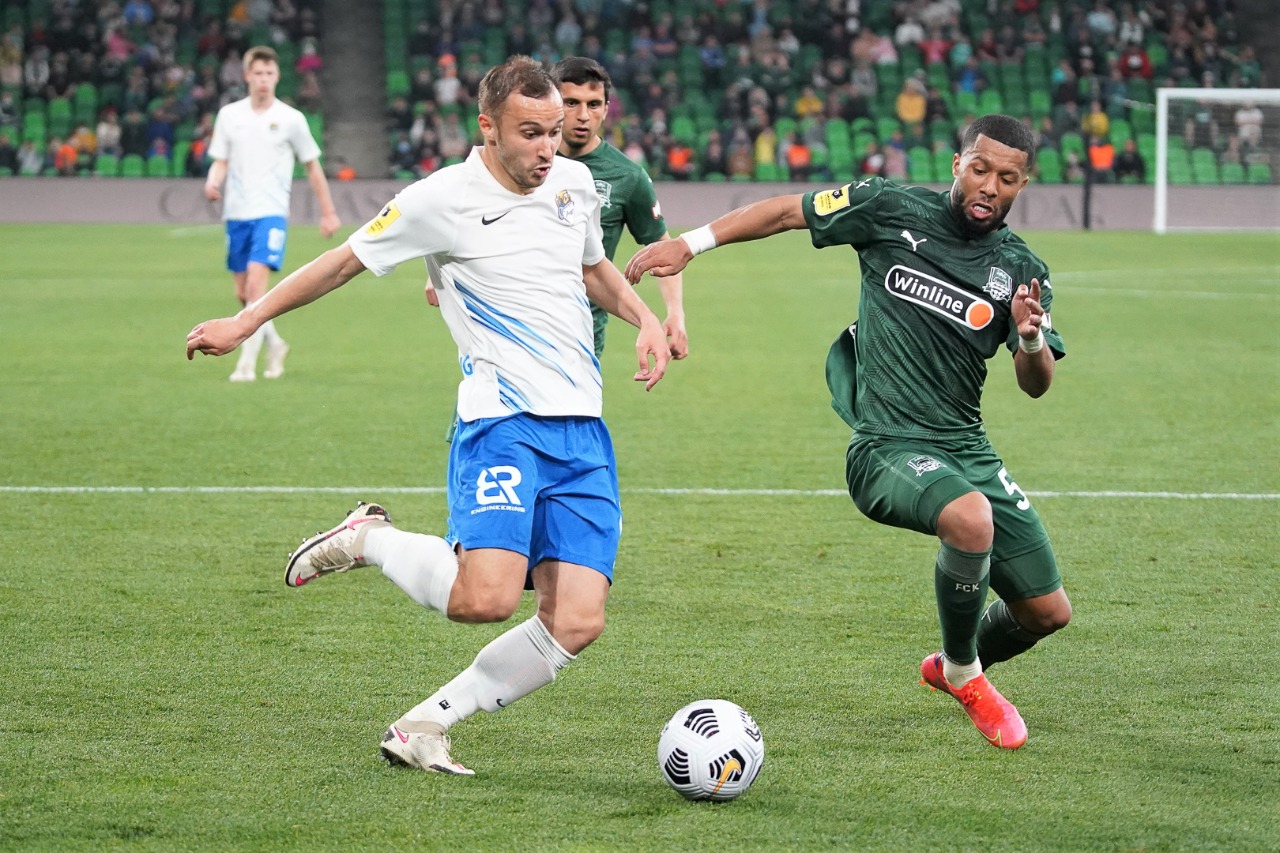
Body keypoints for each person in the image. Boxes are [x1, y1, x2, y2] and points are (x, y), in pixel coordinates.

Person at [186, 56, 672, 775]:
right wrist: (246, 320)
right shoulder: (440, 199)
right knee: (484, 599)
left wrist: (645, 318)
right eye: (531, 133)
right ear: (488, 127)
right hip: (503, 424)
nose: (548, 148)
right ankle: (369, 540)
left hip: (583, 431)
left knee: (576, 619)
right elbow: (342, 261)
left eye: (554, 132)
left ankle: (424, 726)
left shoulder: (572, 183)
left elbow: (591, 266)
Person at [625, 114, 1071, 751]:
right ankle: (964, 673)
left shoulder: (1021, 268)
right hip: (886, 445)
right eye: (979, 169)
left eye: (1006, 178)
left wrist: (1028, 338)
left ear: (1022, 184)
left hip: (965, 447)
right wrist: (690, 245)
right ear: (957, 165)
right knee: (971, 520)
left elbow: (1036, 383)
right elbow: (787, 211)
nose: (989, 187)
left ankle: (951, 665)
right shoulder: (888, 206)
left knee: (1046, 612)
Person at [203, 45, 341, 382]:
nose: (263, 79)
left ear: (277, 76)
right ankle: (275, 344)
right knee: (243, 293)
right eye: (258, 73)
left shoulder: (291, 119)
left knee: (255, 288)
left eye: (269, 73)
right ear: (247, 76)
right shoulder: (230, 116)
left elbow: (312, 166)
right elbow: (220, 159)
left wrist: (328, 212)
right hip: (236, 213)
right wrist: (212, 181)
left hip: (270, 212)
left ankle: (246, 365)